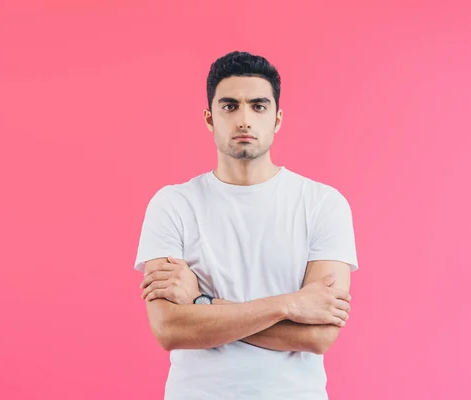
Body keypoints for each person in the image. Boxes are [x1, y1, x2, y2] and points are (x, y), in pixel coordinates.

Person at [133, 51, 359, 400]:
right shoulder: (173, 204)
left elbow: (318, 336)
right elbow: (168, 328)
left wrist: (200, 303)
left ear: (277, 118)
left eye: (258, 106)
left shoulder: (323, 204)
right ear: (209, 118)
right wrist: (289, 306)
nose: (244, 119)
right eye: (229, 106)